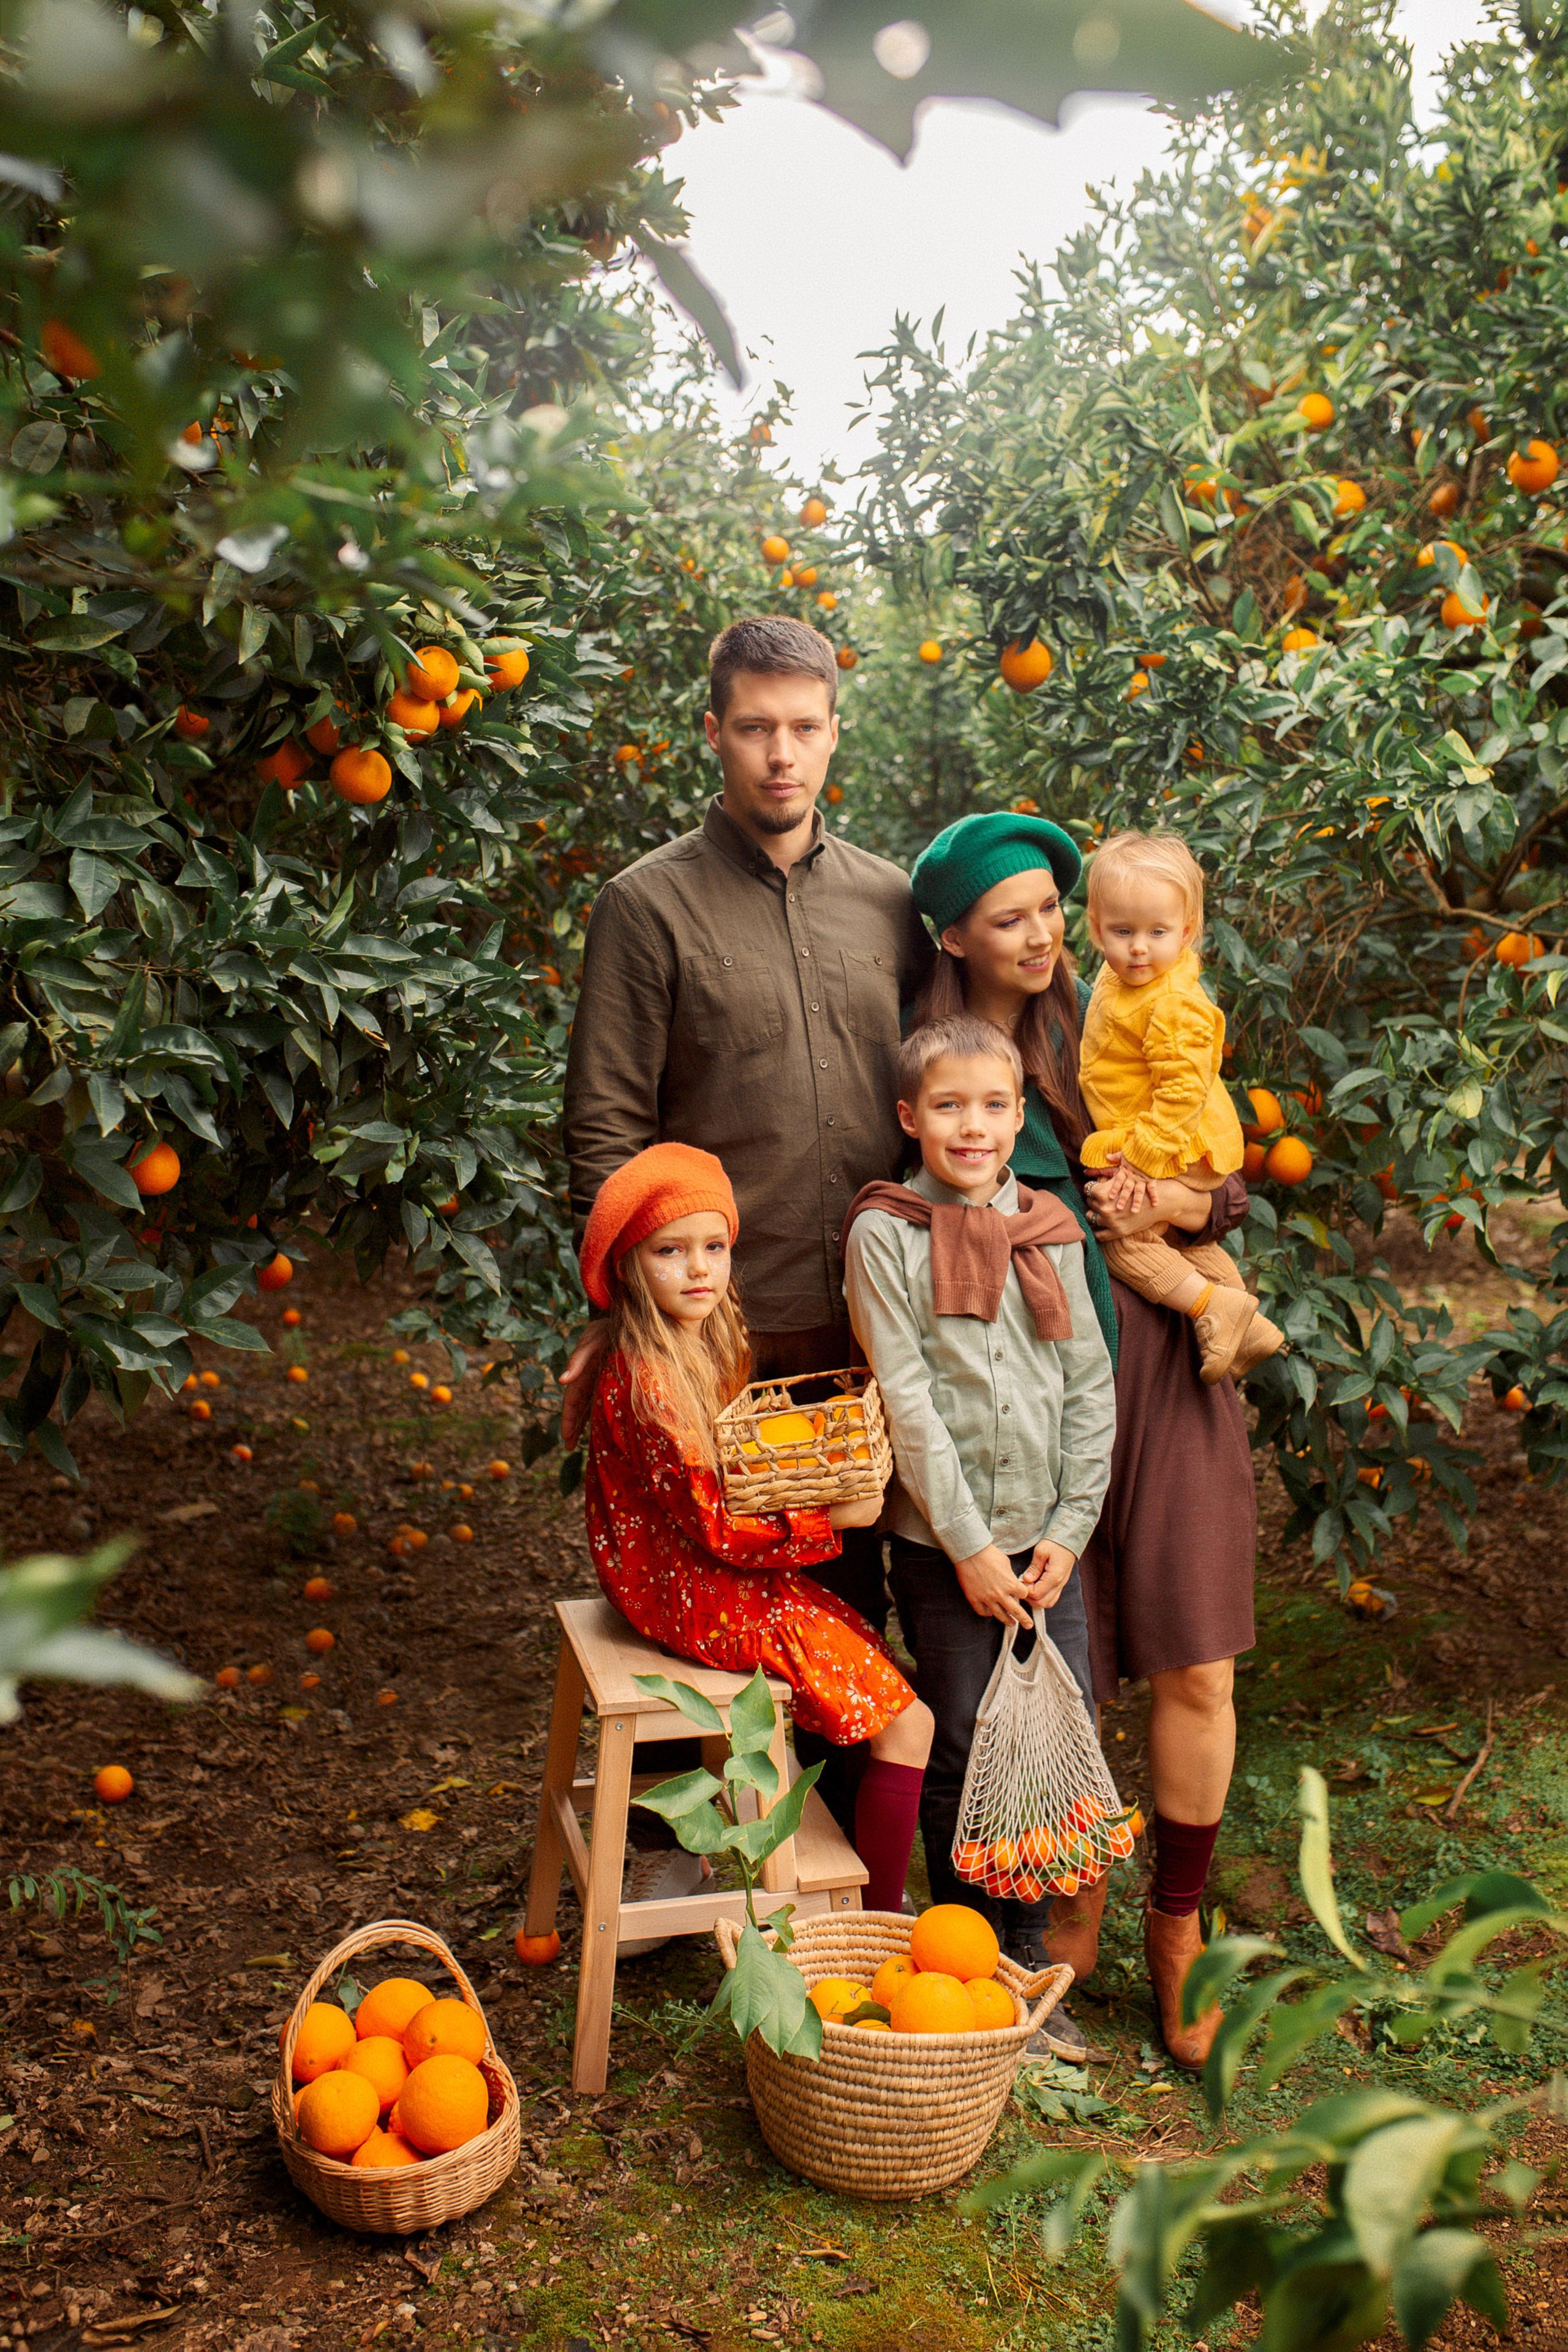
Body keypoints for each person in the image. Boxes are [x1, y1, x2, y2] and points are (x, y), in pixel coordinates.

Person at [562, 614, 933, 1847]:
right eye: (756, 727)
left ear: (836, 731)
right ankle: (714, 1877)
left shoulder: (890, 903)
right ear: (712, 732)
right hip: (721, 1344)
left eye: (805, 727)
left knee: (865, 1595)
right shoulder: (647, 908)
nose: (783, 753)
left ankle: (845, 1885)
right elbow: (606, 1132)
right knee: (740, 1611)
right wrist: (646, 1334)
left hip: (874, 1334)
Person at [907, 810, 1259, 2071]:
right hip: (1024, 1394)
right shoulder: (940, 1063)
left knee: (1193, 1656)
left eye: (1054, 911)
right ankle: (1074, 1898)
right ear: (957, 939)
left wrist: (1176, 1200)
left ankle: (1178, 1924)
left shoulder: (1108, 1006)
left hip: (1155, 1369)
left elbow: (1223, 1170)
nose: (1049, 936)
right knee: (1066, 1651)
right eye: (1016, 920)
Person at [841, 1017, 1116, 2059]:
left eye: (994, 1106)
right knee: (966, 1743)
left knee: (1051, 1740)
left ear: (1019, 1117)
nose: (974, 1125)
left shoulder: (1050, 1226)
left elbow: (1090, 1388)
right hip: (946, 1547)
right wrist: (967, 1547)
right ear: (911, 1118)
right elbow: (906, 1405)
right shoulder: (887, 1233)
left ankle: (1034, 1962)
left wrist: (1070, 1532)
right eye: (949, 1106)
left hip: (1049, 1544)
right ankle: (971, 1971)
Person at [580, 1143, 933, 1913]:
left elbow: (722, 1484)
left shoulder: (687, 1346)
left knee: (862, 1647)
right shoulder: (652, 1383)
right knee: (912, 1725)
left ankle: (861, 1888)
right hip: (691, 1589)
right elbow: (718, 1524)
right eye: (670, 1252)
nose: (698, 1268)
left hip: (674, 1574)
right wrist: (829, 1515)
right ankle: (877, 1918)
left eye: (714, 1247)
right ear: (629, 1266)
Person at [1077, 830, 1284, 1384]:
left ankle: (1213, 1308)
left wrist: (1144, 1159)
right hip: (1166, 1135)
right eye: (1123, 932)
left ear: (1187, 932)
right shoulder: (1118, 976)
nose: (1139, 948)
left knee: (1123, 1237)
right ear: (1097, 929)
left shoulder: (1173, 1002)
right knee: (1169, 1235)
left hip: (1173, 1140)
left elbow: (1183, 1089)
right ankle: (1251, 1322)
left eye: (1158, 932)